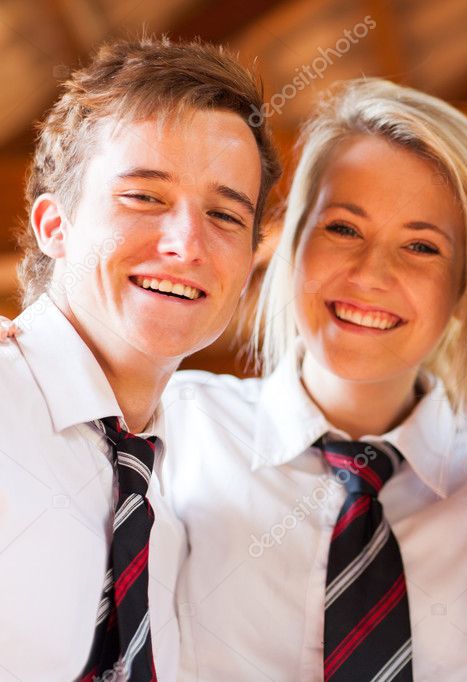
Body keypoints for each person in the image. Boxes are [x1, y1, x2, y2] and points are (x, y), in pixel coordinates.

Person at [161, 78, 467, 681]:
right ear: (292, 243)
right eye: (344, 229)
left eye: (422, 247)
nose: (371, 274)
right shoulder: (175, 427)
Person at [0, 36, 280, 680]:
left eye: (224, 214)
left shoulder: (169, 497)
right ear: (54, 225)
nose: (186, 244)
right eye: (145, 197)